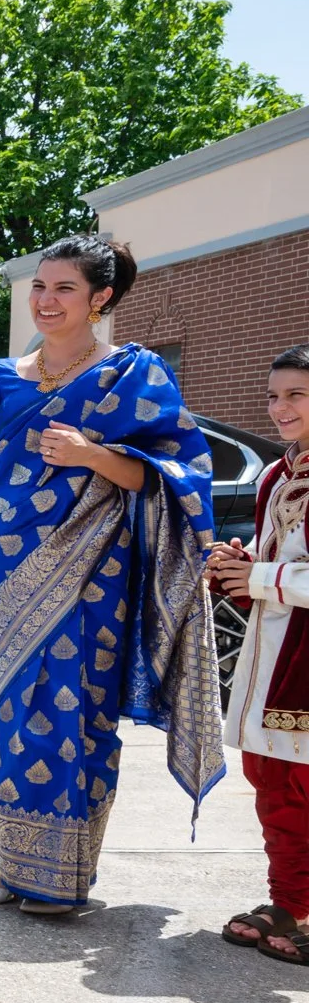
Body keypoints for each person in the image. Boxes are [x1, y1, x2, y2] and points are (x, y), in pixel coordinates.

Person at [0, 236, 224, 918]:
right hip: (5, 571)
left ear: (101, 298)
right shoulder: (0, 377)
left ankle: (61, 873)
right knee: (11, 714)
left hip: (93, 573)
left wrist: (90, 452)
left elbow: (168, 478)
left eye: (64, 288)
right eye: (40, 286)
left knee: (80, 713)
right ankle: (5, 862)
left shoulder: (137, 375)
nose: (45, 300)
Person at [213, 343, 309, 964]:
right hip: (274, 654)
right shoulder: (278, 475)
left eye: (295, 395)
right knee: (271, 779)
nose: (279, 408)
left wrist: (261, 578)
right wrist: (241, 564)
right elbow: (278, 556)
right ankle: (289, 903)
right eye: (273, 395)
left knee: (301, 783)